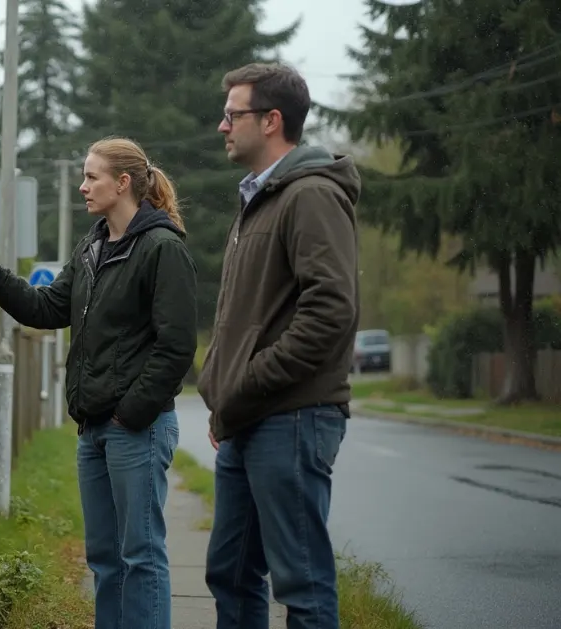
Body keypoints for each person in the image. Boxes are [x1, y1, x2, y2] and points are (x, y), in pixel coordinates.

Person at [0, 137, 198, 629]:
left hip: (136, 429)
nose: (82, 187)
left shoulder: (162, 248)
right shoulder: (92, 246)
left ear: (122, 183)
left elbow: (176, 348)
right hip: (94, 429)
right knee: (104, 557)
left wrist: (130, 413)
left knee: (141, 555)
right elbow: (47, 308)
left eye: (91, 177)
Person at [197, 62, 362, 629]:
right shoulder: (259, 199)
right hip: (249, 418)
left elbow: (330, 313)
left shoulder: (311, 195)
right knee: (231, 573)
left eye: (232, 114)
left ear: (271, 121)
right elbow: (247, 318)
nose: (222, 127)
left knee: (303, 584)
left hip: (292, 417)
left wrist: (245, 385)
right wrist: (223, 392)